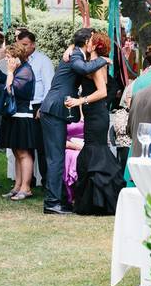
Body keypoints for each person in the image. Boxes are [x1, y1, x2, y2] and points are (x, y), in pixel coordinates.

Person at [38, 28, 109, 214]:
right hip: (54, 109)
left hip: (56, 109)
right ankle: (52, 203)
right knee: (55, 158)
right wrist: (104, 59)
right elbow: (83, 68)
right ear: (86, 41)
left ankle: (59, 200)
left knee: (56, 157)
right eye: (92, 40)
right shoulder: (76, 55)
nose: (93, 43)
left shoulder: (75, 52)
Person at [66, 32, 125, 215]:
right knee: (93, 151)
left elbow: (102, 92)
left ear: (95, 45)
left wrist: (79, 101)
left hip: (97, 114)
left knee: (96, 151)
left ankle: (100, 201)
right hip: (94, 114)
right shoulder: (94, 63)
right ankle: (93, 200)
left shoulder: (97, 65)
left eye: (90, 41)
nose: (87, 43)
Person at [0, 42, 38, 201]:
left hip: (23, 116)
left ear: (17, 58)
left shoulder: (25, 71)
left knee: (23, 152)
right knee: (16, 152)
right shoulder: (18, 70)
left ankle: (26, 187)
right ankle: (17, 186)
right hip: (13, 116)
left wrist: (9, 72)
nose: (7, 60)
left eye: (9, 57)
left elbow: (11, 90)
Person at [17, 30, 54, 184]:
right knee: (25, 145)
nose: (23, 48)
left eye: (25, 45)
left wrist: (43, 107)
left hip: (39, 105)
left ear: (33, 45)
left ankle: (46, 180)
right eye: (20, 45)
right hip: (23, 106)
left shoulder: (42, 61)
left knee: (41, 145)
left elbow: (48, 85)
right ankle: (28, 180)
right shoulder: (16, 61)